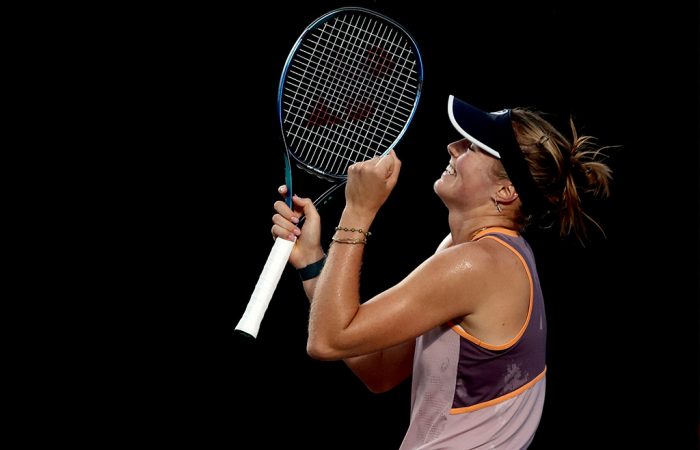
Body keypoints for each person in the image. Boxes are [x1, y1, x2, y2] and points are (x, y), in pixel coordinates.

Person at [270, 95, 612, 449]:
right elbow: (380, 370)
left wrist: (357, 210)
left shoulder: (479, 265)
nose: (452, 147)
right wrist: (312, 261)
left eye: (473, 147)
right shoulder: (472, 253)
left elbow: (326, 340)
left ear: (506, 191)